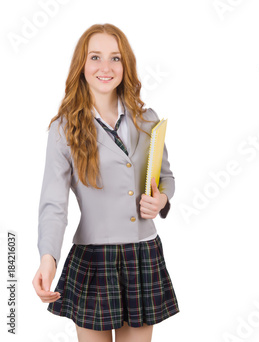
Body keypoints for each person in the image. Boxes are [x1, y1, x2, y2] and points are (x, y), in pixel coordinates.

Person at [32, 24, 179, 342]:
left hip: (142, 254)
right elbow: (54, 203)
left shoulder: (148, 119)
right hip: (94, 258)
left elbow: (164, 177)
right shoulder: (64, 130)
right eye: (95, 57)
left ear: (126, 66)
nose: (106, 67)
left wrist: (161, 200)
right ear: (81, 66)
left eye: (115, 58)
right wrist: (48, 258)